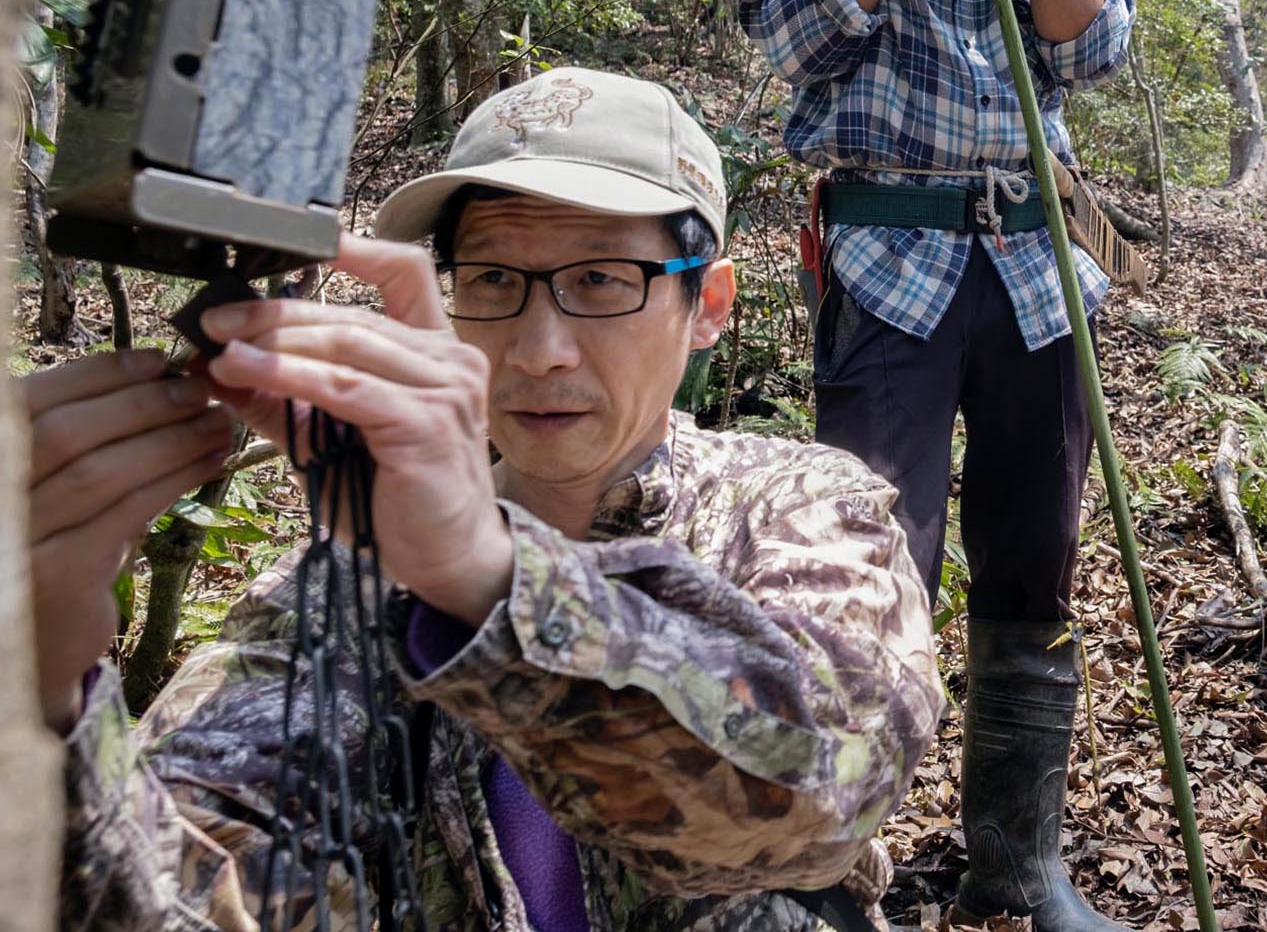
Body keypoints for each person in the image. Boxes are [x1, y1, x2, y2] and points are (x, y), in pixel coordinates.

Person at [31, 67, 942, 931]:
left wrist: (485, 576)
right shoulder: (344, 586)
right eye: (496, 281)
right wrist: (49, 698)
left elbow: (828, 785)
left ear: (706, 303)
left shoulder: (793, 508)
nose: (541, 349)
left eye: (600, 280)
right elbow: (194, 885)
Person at [739, 0, 1136, 932]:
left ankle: (1017, 868)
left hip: (1034, 273)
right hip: (886, 264)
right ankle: (828, 872)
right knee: (862, 566)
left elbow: (1099, 45)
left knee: (1036, 564)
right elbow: (788, 36)